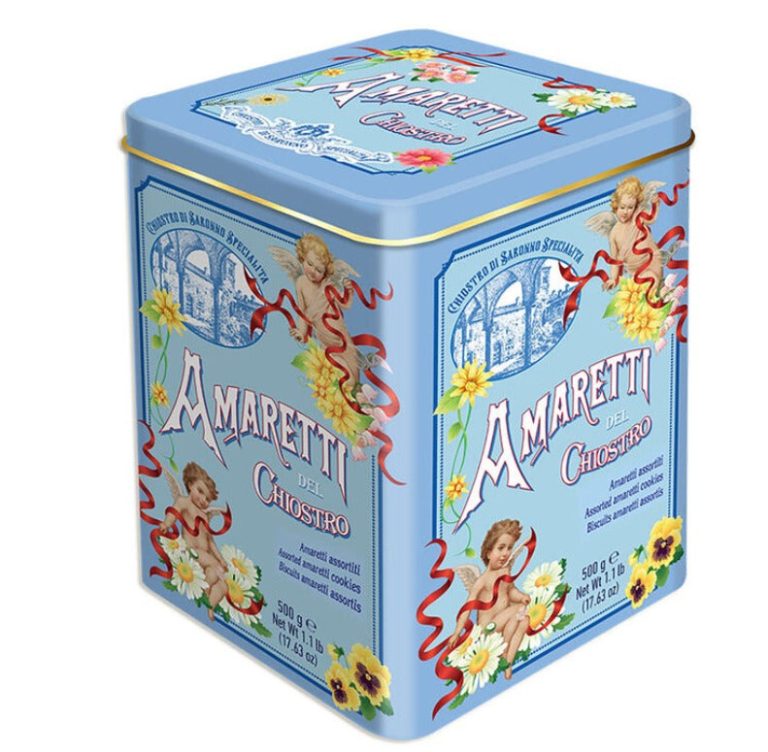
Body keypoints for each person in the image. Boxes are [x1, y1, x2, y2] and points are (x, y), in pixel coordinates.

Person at [448, 519, 531, 679]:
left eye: (509, 548)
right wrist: (457, 632)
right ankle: (504, 650)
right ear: (488, 553)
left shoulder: (505, 572)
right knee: (518, 610)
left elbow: (511, 591)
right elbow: (468, 606)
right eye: (501, 548)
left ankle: (508, 662)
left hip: (504, 623)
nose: (506, 553)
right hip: (488, 629)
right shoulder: (483, 580)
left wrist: (522, 597)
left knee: (524, 620)